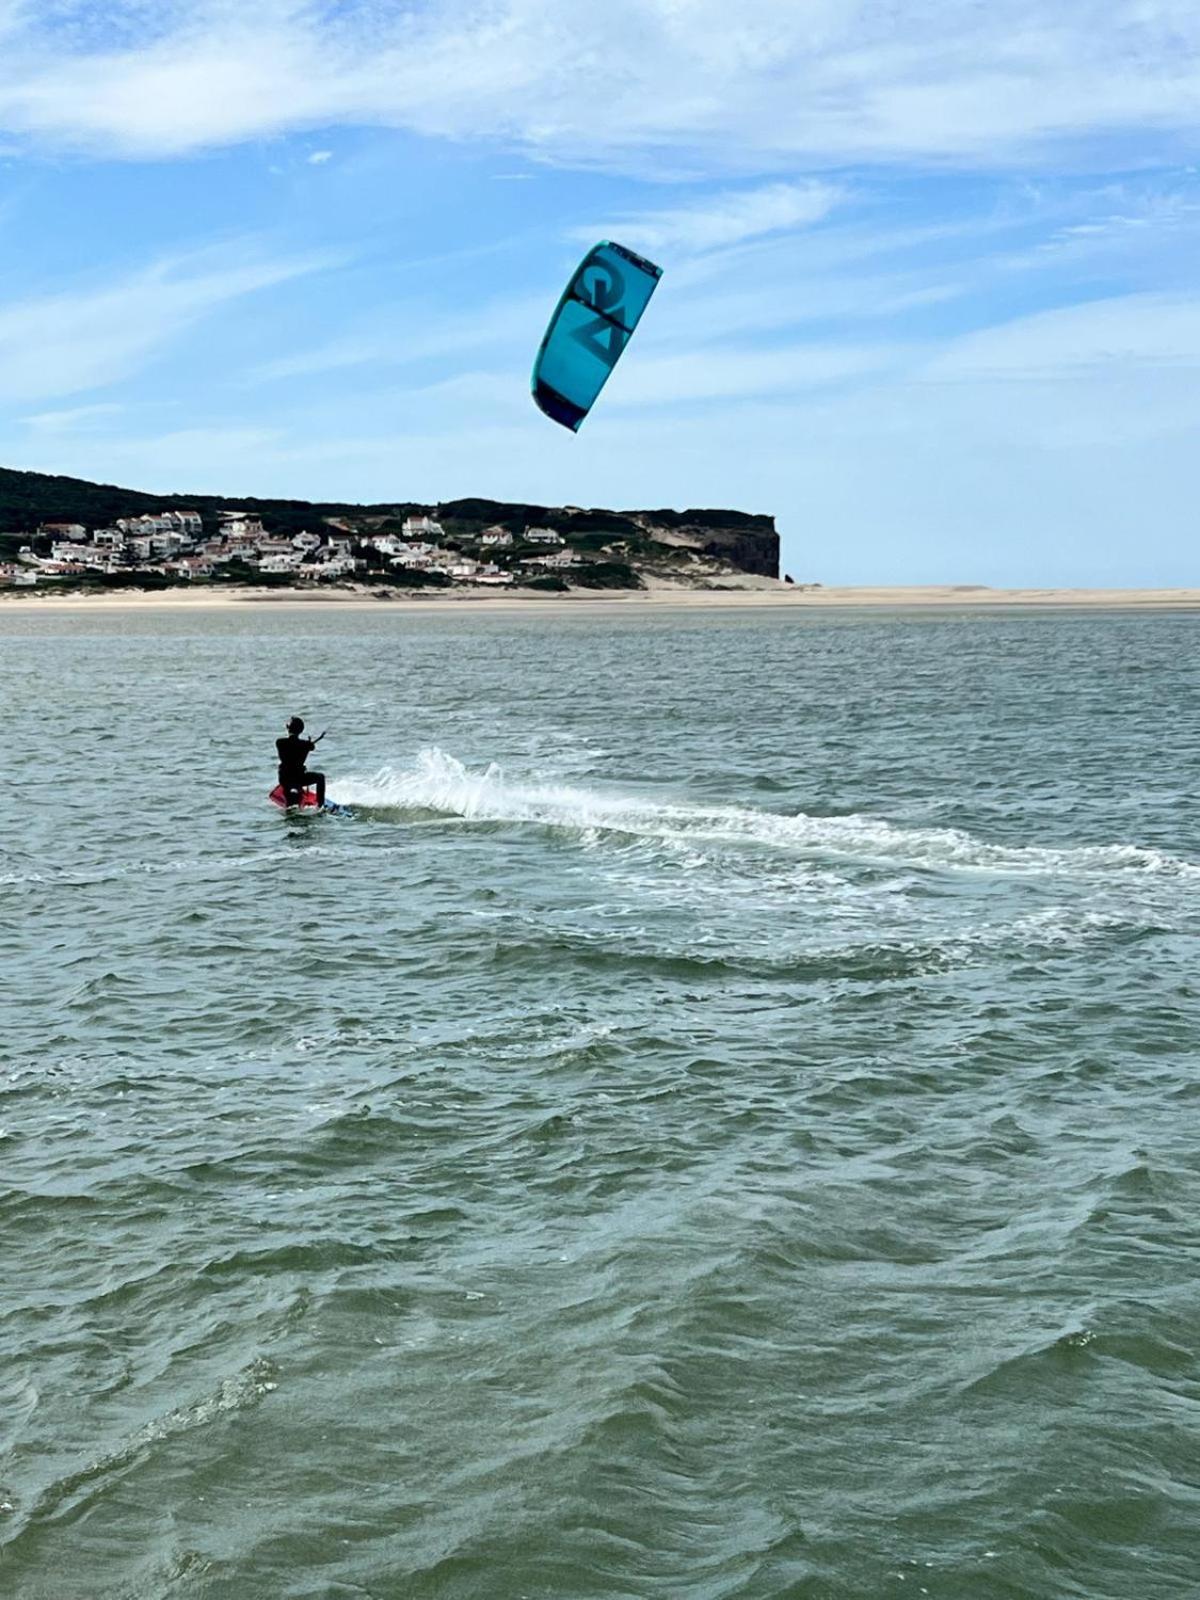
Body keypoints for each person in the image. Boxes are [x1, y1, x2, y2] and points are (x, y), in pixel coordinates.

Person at [276, 716, 326, 808]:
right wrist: (308, 744)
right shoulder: (305, 744)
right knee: (320, 777)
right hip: (299, 778)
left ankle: (290, 795)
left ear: (287, 728)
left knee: (290, 786)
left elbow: (294, 745)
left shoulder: (279, 742)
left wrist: (307, 745)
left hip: (284, 779)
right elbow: (311, 747)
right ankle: (320, 805)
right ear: (301, 730)